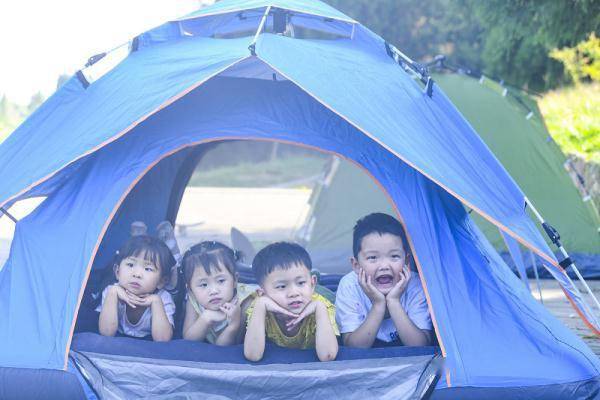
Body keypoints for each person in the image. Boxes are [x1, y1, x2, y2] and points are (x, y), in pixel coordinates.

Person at [335, 213, 433, 348]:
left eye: (394, 256)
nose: (384, 266)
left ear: (407, 261)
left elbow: (420, 345)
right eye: (373, 258)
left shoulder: (415, 286)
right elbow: (353, 348)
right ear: (356, 265)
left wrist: (393, 301)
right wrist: (378, 304)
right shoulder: (349, 287)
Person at [243, 242, 339, 362]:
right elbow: (253, 355)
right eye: (282, 286)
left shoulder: (323, 306)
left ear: (312, 283)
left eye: (301, 283)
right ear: (263, 293)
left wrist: (319, 308)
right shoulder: (259, 305)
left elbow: (327, 356)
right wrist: (261, 305)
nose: (294, 293)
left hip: (321, 294)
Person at [97, 235, 176, 341]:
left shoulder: (163, 298)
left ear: (161, 281)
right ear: (117, 272)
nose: (137, 274)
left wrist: (156, 302)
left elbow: (162, 339)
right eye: (130, 265)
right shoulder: (112, 291)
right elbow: (106, 333)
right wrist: (112, 294)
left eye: (148, 269)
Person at [181, 241, 245, 346]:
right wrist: (206, 319)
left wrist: (234, 324)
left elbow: (223, 349)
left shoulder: (245, 301)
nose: (214, 291)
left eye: (221, 281)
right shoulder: (194, 300)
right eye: (204, 285)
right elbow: (188, 341)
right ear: (190, 290)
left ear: (235, 281)